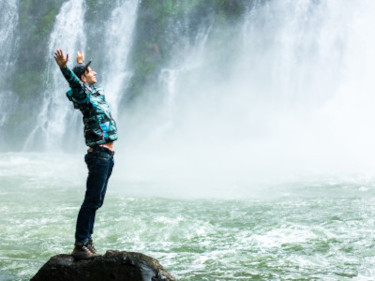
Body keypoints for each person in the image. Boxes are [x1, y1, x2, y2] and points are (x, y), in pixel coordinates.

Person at [53, 49, 118, 259]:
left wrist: (81, 64)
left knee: (96, 201)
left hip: (106, 156)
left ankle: (86, 240)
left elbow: (88, 84)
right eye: (91, 71)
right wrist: (65, 68)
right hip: (99, 154)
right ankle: (80, 243)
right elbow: (75, 85)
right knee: (91, 200)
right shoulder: (84, 96)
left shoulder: (95, 94)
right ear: (83, 78)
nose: (95, 72)